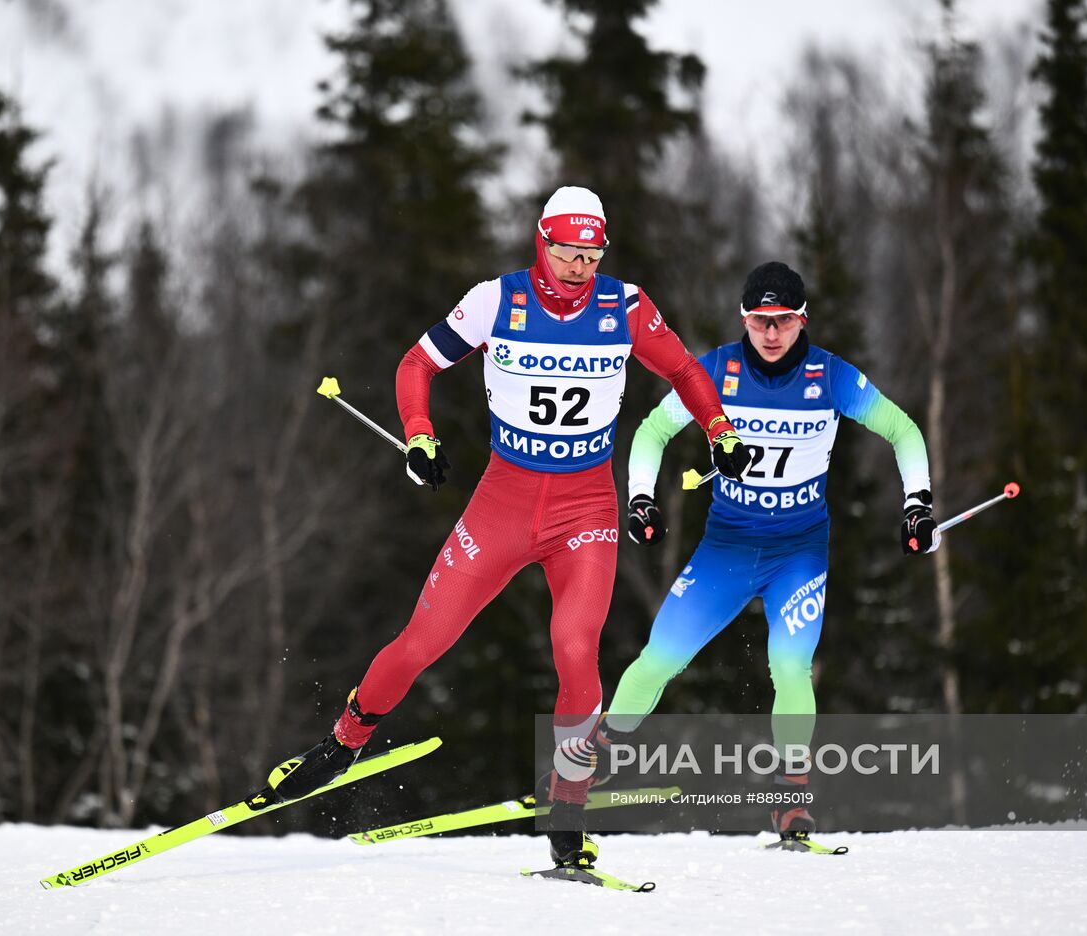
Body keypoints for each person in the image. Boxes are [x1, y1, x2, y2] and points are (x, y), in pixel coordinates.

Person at [264, 187, 752, 870]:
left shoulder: (626, 305)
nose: (579, 268)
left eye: (590, 255)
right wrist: (420, 437)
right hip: (504, 501)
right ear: (541, 243)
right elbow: (417, 363)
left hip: (586, 507)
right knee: (420, 642)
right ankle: (342, 743)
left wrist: (720, 429)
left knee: (576, 650)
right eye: (566, 253)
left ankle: (568, 802)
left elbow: (684, 369)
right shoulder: (497, 301)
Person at [602, 261, 936, 845]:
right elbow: (651, 433)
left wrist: (918, 505)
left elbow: (903, 430)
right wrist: (640, 502)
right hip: (726, 547)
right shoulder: (714, 373)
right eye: (760, 321)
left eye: (783, 321)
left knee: (789, 666)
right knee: (661, 657)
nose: (772, 333)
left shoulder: (829, 376)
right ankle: (592, 757)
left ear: (802, 319)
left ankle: (790, 800)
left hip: (798, 553)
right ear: (744, 319)